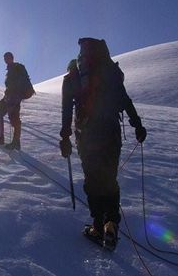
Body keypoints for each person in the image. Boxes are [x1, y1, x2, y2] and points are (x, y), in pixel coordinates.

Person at [59, 38, 147, 249]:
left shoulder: (72, 77)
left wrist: (65, 137)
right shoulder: (110, 72)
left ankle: (98, 226)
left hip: (87, 133)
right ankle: (111, 222)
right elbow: (125, 100)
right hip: (111, 132)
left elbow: (66, 110)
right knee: (109, 177)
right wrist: (138, 126)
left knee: (92, 179)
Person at [0, 52, 30, 150]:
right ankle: (2, 137)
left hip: (15, 96)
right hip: (11, 96)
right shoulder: (11, 69)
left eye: (7, 58)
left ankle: (14, 142)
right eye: (5, 58)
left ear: (12, 58)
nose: (5, 60)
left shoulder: (16, 68)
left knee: (14, 118)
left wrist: (14, 96)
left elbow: (17, 84)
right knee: (0, 113)